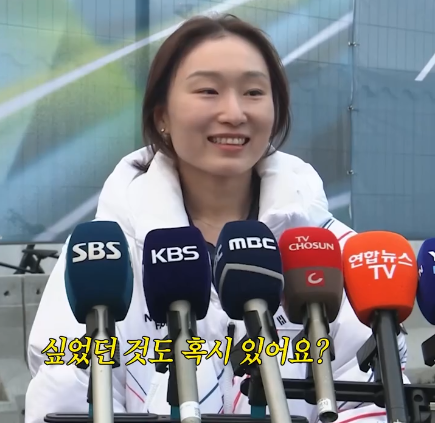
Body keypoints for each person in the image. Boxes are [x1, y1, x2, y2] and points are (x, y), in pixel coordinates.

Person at [25, 13, 408, 423]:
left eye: (254, 92)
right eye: (208, 90)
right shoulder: (101, 255)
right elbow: (65, 391)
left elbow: (374, 400)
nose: (234, 112)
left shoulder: (324, 246)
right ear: (161, 115)